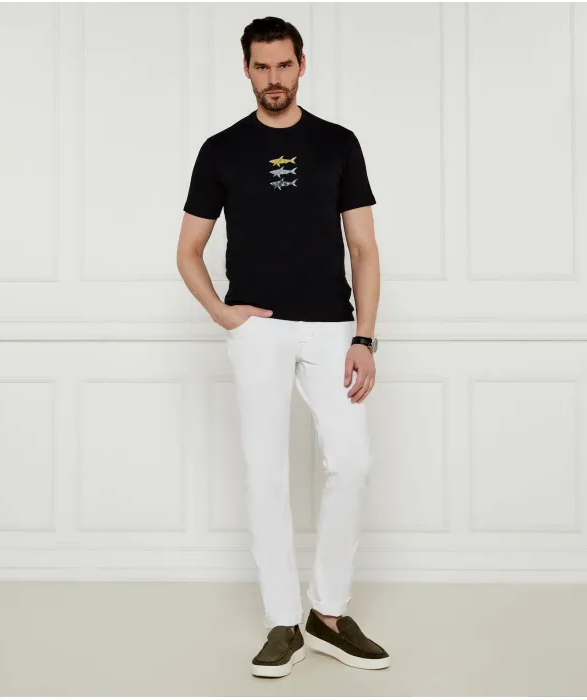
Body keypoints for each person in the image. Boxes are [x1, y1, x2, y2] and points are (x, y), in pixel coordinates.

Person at [176, 15, 390, 678]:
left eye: (284, 65)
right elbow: (188, 250)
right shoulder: (221, 150)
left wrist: (365, 336)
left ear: (302, 64)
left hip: (333, 326)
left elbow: (363, 248)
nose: (274, 78)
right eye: (262, 66)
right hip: (258, 330)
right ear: (246, 69)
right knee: (264, 471)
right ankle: (282, 622)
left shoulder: (338, 144)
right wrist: (224, 314)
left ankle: (329, 613)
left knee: (350, 460)